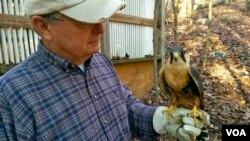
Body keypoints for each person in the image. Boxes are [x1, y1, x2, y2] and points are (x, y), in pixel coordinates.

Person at [0, 0, 210, 140]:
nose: (101, 28)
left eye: (101, 18)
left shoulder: (100, 62)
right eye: (86, 19)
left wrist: (160, 119)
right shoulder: (10, 96)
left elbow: (125, 108)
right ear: (43, 27)